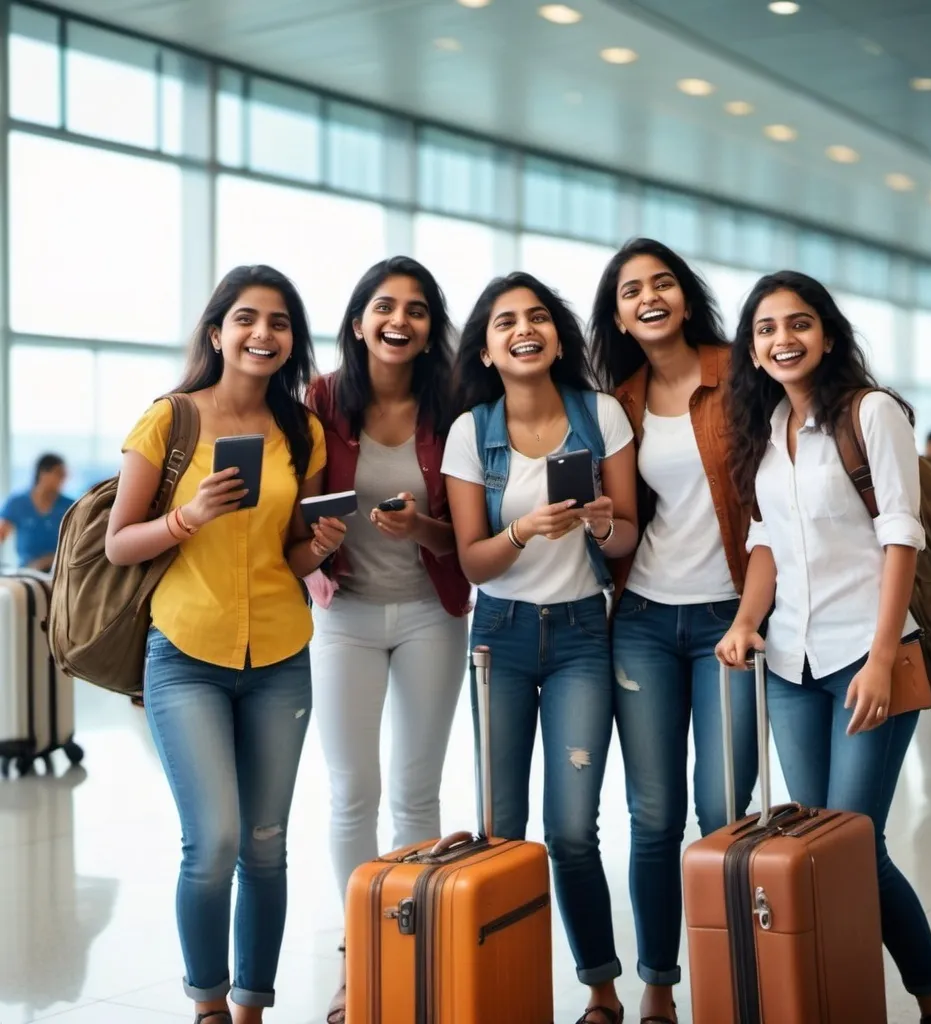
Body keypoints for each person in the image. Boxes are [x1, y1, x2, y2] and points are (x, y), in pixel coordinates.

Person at [717, 270, 931, 1024]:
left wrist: (882, 655)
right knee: (821, 846)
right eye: (766, 328)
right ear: (753, 350)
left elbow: (901, 533)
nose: (782, 339)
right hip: (792, 665)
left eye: (798, 323)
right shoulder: (766, 430)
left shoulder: (872, 412)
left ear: (827, 335)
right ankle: (847, 999)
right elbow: (764, 541)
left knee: (855, 846)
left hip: (871, 658)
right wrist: (745, 619)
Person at [105, 265, 344, 1024]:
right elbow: (118, 545)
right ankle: (208, 1007)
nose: (262, 334)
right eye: (246, 319)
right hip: (186, 657)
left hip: (280, 657)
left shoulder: (301, 432)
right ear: (217, 332)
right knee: (213, 842)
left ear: (292, 343)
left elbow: (293, 552)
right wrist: (189, 516)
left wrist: (324, 544)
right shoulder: (169, 420)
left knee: (265, 847)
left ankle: (251, 1010)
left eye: (279, 323)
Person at [443, 272, 637, 1024]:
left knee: (569, 830)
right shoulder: (473, 430)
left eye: (537, 318)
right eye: (504, 322)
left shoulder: (601, 415)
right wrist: (521, 530)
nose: (523, 329)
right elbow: (471, 562)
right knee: (501, 830)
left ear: (557, 336)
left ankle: (601, 990)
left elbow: (625, 537)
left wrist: (596, 522)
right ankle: (506, 988)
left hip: (584, 634)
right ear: (487, 350)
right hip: (500, 636)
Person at [589, 238, 756, 1024]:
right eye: (631, 290)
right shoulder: (614, 403)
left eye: (662, 284)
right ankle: (657, 980)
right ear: (617, 313)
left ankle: (727, 976)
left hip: (734, 619)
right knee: (652, 818)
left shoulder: (740, 374)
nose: (648, 297)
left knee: (723, 812)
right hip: (646, 621)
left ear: (685, 298)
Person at [304, 256, 471, 1024]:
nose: (399, 320)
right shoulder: (322, 400)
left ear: (433, 326)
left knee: (415, 793)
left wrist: (421, 527)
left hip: (433, 612)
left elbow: (465, 535)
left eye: (416, 309)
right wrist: (318, 536)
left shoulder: (454, 406)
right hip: (345, 614)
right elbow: (293, 510)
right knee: (350, 794)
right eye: (384, 306)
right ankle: (357, 952)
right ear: (359, 319)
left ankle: (414, 939)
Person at [0, 454, 73, 571]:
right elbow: (2, 533)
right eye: (59, 473)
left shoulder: (70, 506)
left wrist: (48, 560)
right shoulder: (17, 502)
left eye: (65, 475)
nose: (63, 478)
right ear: (43, 473)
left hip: (60, 570)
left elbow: (77, 544)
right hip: (27, 571)